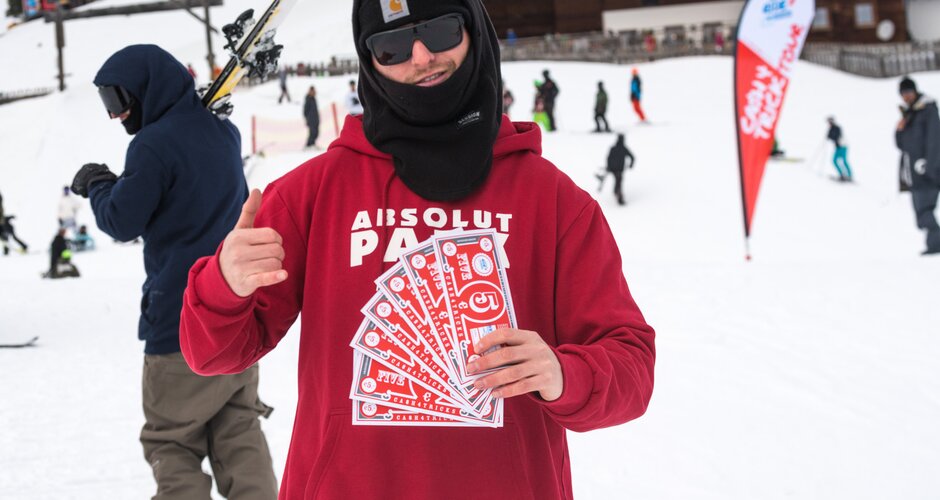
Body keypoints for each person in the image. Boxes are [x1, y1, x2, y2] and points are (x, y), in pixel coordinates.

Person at [179, 1, 655, 499]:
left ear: (473, 31)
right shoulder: (313, 194)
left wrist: (565, 374)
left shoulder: (555, 202)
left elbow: (632, 366)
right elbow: (211, 354)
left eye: (441, 30)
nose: (422, 56)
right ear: (371, 62)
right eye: (393, 45)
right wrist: (223, 285)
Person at [68, 45, 277, 499]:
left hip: (180, 323)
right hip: (235, 312)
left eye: (118, 101)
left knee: (172, 441)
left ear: (144, 91)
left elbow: (123, 221)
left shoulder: (153, 144)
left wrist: (101, 185)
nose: (116, 115)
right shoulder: (224, 132)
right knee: (237, 431)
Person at [896, 76, 940, 255]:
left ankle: (936, 245)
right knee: (920, 215)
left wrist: (929, 164)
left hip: (928, 170)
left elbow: (934, 139)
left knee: (924, 210)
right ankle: (934, 244)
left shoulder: (927, 110)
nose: (906, 96)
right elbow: (902, 145)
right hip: (914, 172)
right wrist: (899, 130)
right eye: (903, 93)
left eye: (908, 92)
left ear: (915, 91)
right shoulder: (910, 114)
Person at [596, 133, 633, 205]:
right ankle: (619, 197)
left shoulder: (613, 148)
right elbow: (632, 157)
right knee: (619, 181)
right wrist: (631, 165)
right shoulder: (623, 148)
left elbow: (608, 158)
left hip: (613, 169)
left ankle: (616, 191)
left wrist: (609, 167)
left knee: (617, 181)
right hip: (619, 169)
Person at [0, 191, 29, 255]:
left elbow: (2, 218)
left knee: (9, 238)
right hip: (4, 226)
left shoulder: (1, 209)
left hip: (6, 226)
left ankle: (24, 246)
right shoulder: (1, 208)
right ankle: (6, 252)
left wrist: (9, 218)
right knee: (5, 238)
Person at [826, 116, 853, 182]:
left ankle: (849, 176)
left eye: (830, 121)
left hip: (843, 146)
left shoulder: (837, 128)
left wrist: (830, 136)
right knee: (834, 161)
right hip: (838, 147)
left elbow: (836, 136)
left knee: (843, 161)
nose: (829, 123)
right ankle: (842, 175)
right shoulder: (831, 128)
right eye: (828, 122)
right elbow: (829, 136)